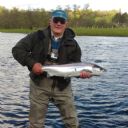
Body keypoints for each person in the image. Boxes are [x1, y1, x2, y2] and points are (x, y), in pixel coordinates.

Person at [12, 9, 92, 128]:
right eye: (56, 20)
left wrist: (82, 74)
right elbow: (17, 50)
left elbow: (75, 66)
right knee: (36, 124)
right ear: (50, 21)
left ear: (66, 24)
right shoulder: (36, 36)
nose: (58, 23)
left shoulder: (73, 44)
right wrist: (32, 64)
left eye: (62, 21)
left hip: (62, 86)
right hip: (39, 84)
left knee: (72, 123)